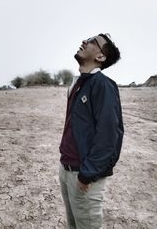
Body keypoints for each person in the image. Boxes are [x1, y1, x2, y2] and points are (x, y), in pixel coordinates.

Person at [59, 33, 124, 229]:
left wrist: (87, 174)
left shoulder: (103, 85)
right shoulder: (79, 83)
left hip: (84, 176)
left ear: (101, 57)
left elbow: (110, 136)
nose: (84, 41)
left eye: (93, 42)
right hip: (66, 169)